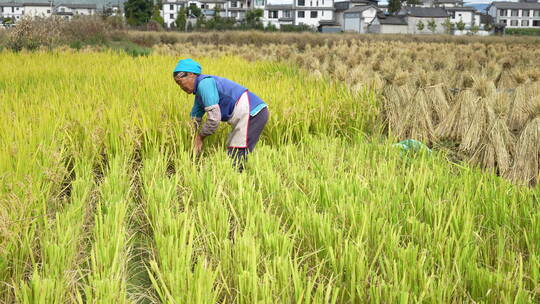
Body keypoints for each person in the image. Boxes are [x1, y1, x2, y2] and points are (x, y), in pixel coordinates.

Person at [173, 58, 269, 171]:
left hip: (253, 113)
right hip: (247, 115)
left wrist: (200, 137)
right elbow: (195, 119)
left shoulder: (205, 84)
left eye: (180, 82)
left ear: (191, 74)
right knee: (234, 150)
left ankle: (239, 182)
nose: (181, 87)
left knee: (238, 152)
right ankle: (237, 179)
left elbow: (214, 118)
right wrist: (192, 137)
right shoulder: (199, 95)